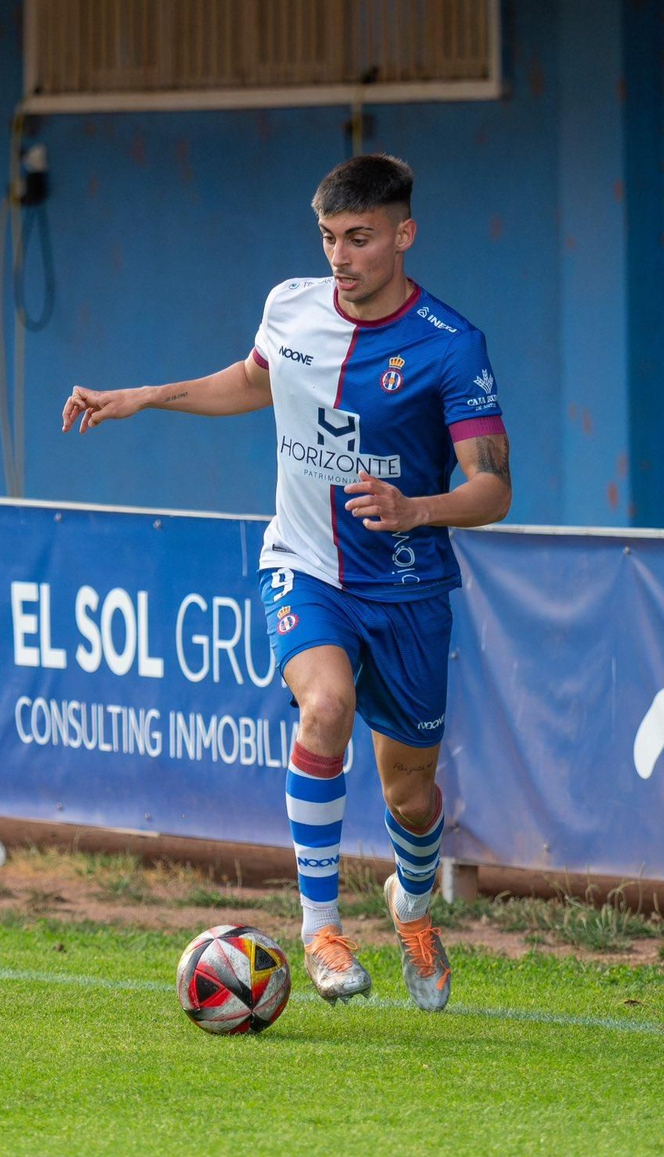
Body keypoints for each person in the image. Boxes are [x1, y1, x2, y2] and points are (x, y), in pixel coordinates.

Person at [61, 154, 511, 1012]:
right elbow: (255, 381)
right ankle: (319, 929)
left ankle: (412, 906)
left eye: (361, 238)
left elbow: (493, 486)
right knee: (324, 708)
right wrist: (146, 395)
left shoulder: (452, 347)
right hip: (304, 565)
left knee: (411, 797)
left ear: (404, 235)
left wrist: (417, 509)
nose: (341, 256)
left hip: (409, 587)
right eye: (330, 238)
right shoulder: (290, 305)